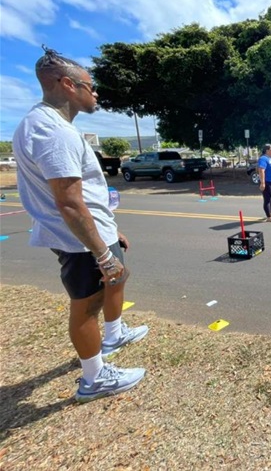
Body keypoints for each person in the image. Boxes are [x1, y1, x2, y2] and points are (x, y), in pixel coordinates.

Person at [12, 46, 148, 403]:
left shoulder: (46, 125)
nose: (96, 93)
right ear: (68, 85)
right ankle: (94, 377)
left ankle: (115, 333)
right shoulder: (54, 131)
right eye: (91, 85)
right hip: (78, 241)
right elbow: (69, 202)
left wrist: (109, 232)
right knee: (87, 304)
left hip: (94, 231)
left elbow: (82, 195)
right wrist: (102, 253)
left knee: (118, 279)